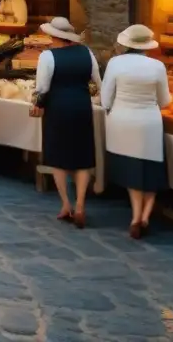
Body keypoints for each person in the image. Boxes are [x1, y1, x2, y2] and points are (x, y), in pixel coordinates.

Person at [102, 25, 172, 239]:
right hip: (149, 123)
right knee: (151, 171)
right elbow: (165, 101)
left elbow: (106, 98)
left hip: (123, 122)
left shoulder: (115, 63)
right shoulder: (157, 66)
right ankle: (145, 216)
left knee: (133, 172)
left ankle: (135, 216)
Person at [31, 17, 102, 229]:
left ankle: (66, 204)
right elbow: (97, 82)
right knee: (82, 156)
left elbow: (42, 87)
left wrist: (37, 103)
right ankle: (80, 204)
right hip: (81, 106)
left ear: (54, 36)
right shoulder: (87, 53)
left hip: (58, 107)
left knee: (58, 156)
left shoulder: (47, 56)